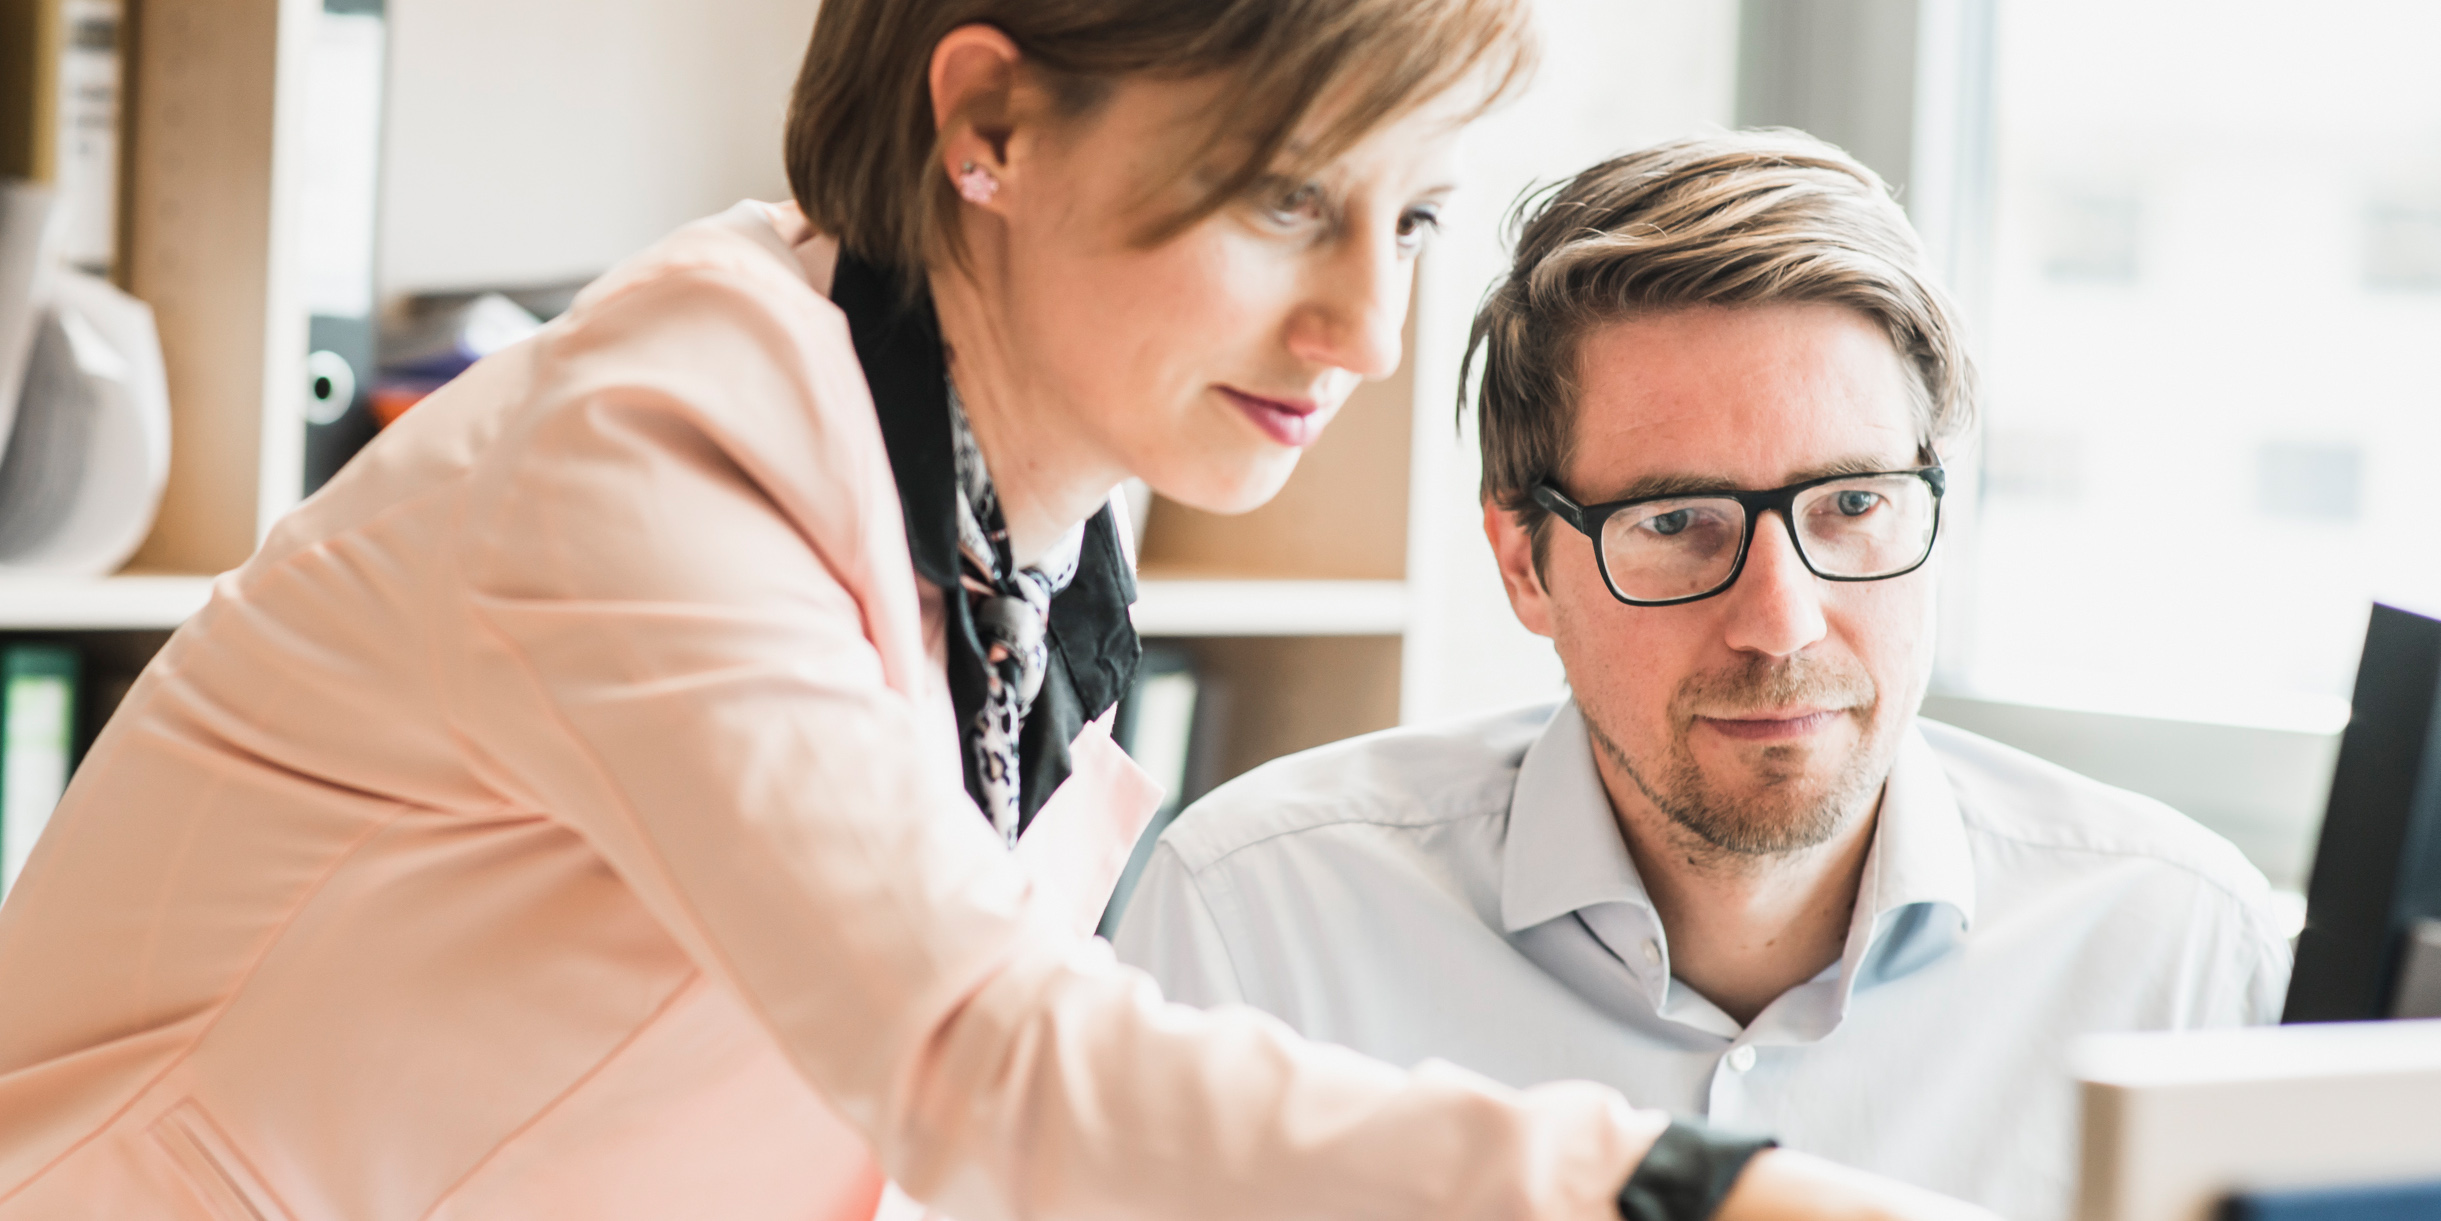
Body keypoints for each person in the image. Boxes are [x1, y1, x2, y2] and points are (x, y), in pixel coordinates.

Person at [0, 6, 1989, 1221]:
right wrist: (1670, 1185)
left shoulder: (1017, 571)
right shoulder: (645, 465)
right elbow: (978, 1066)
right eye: (1283, 201)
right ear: (991, 126)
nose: (1366, 330)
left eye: (1405, 217)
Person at [1114, 130, 2294, 1221]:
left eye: (1850, 506)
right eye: (1676, 520)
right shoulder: (1255, 923)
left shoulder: (2185, 950)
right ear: (1524, 562)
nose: (1777, 626)